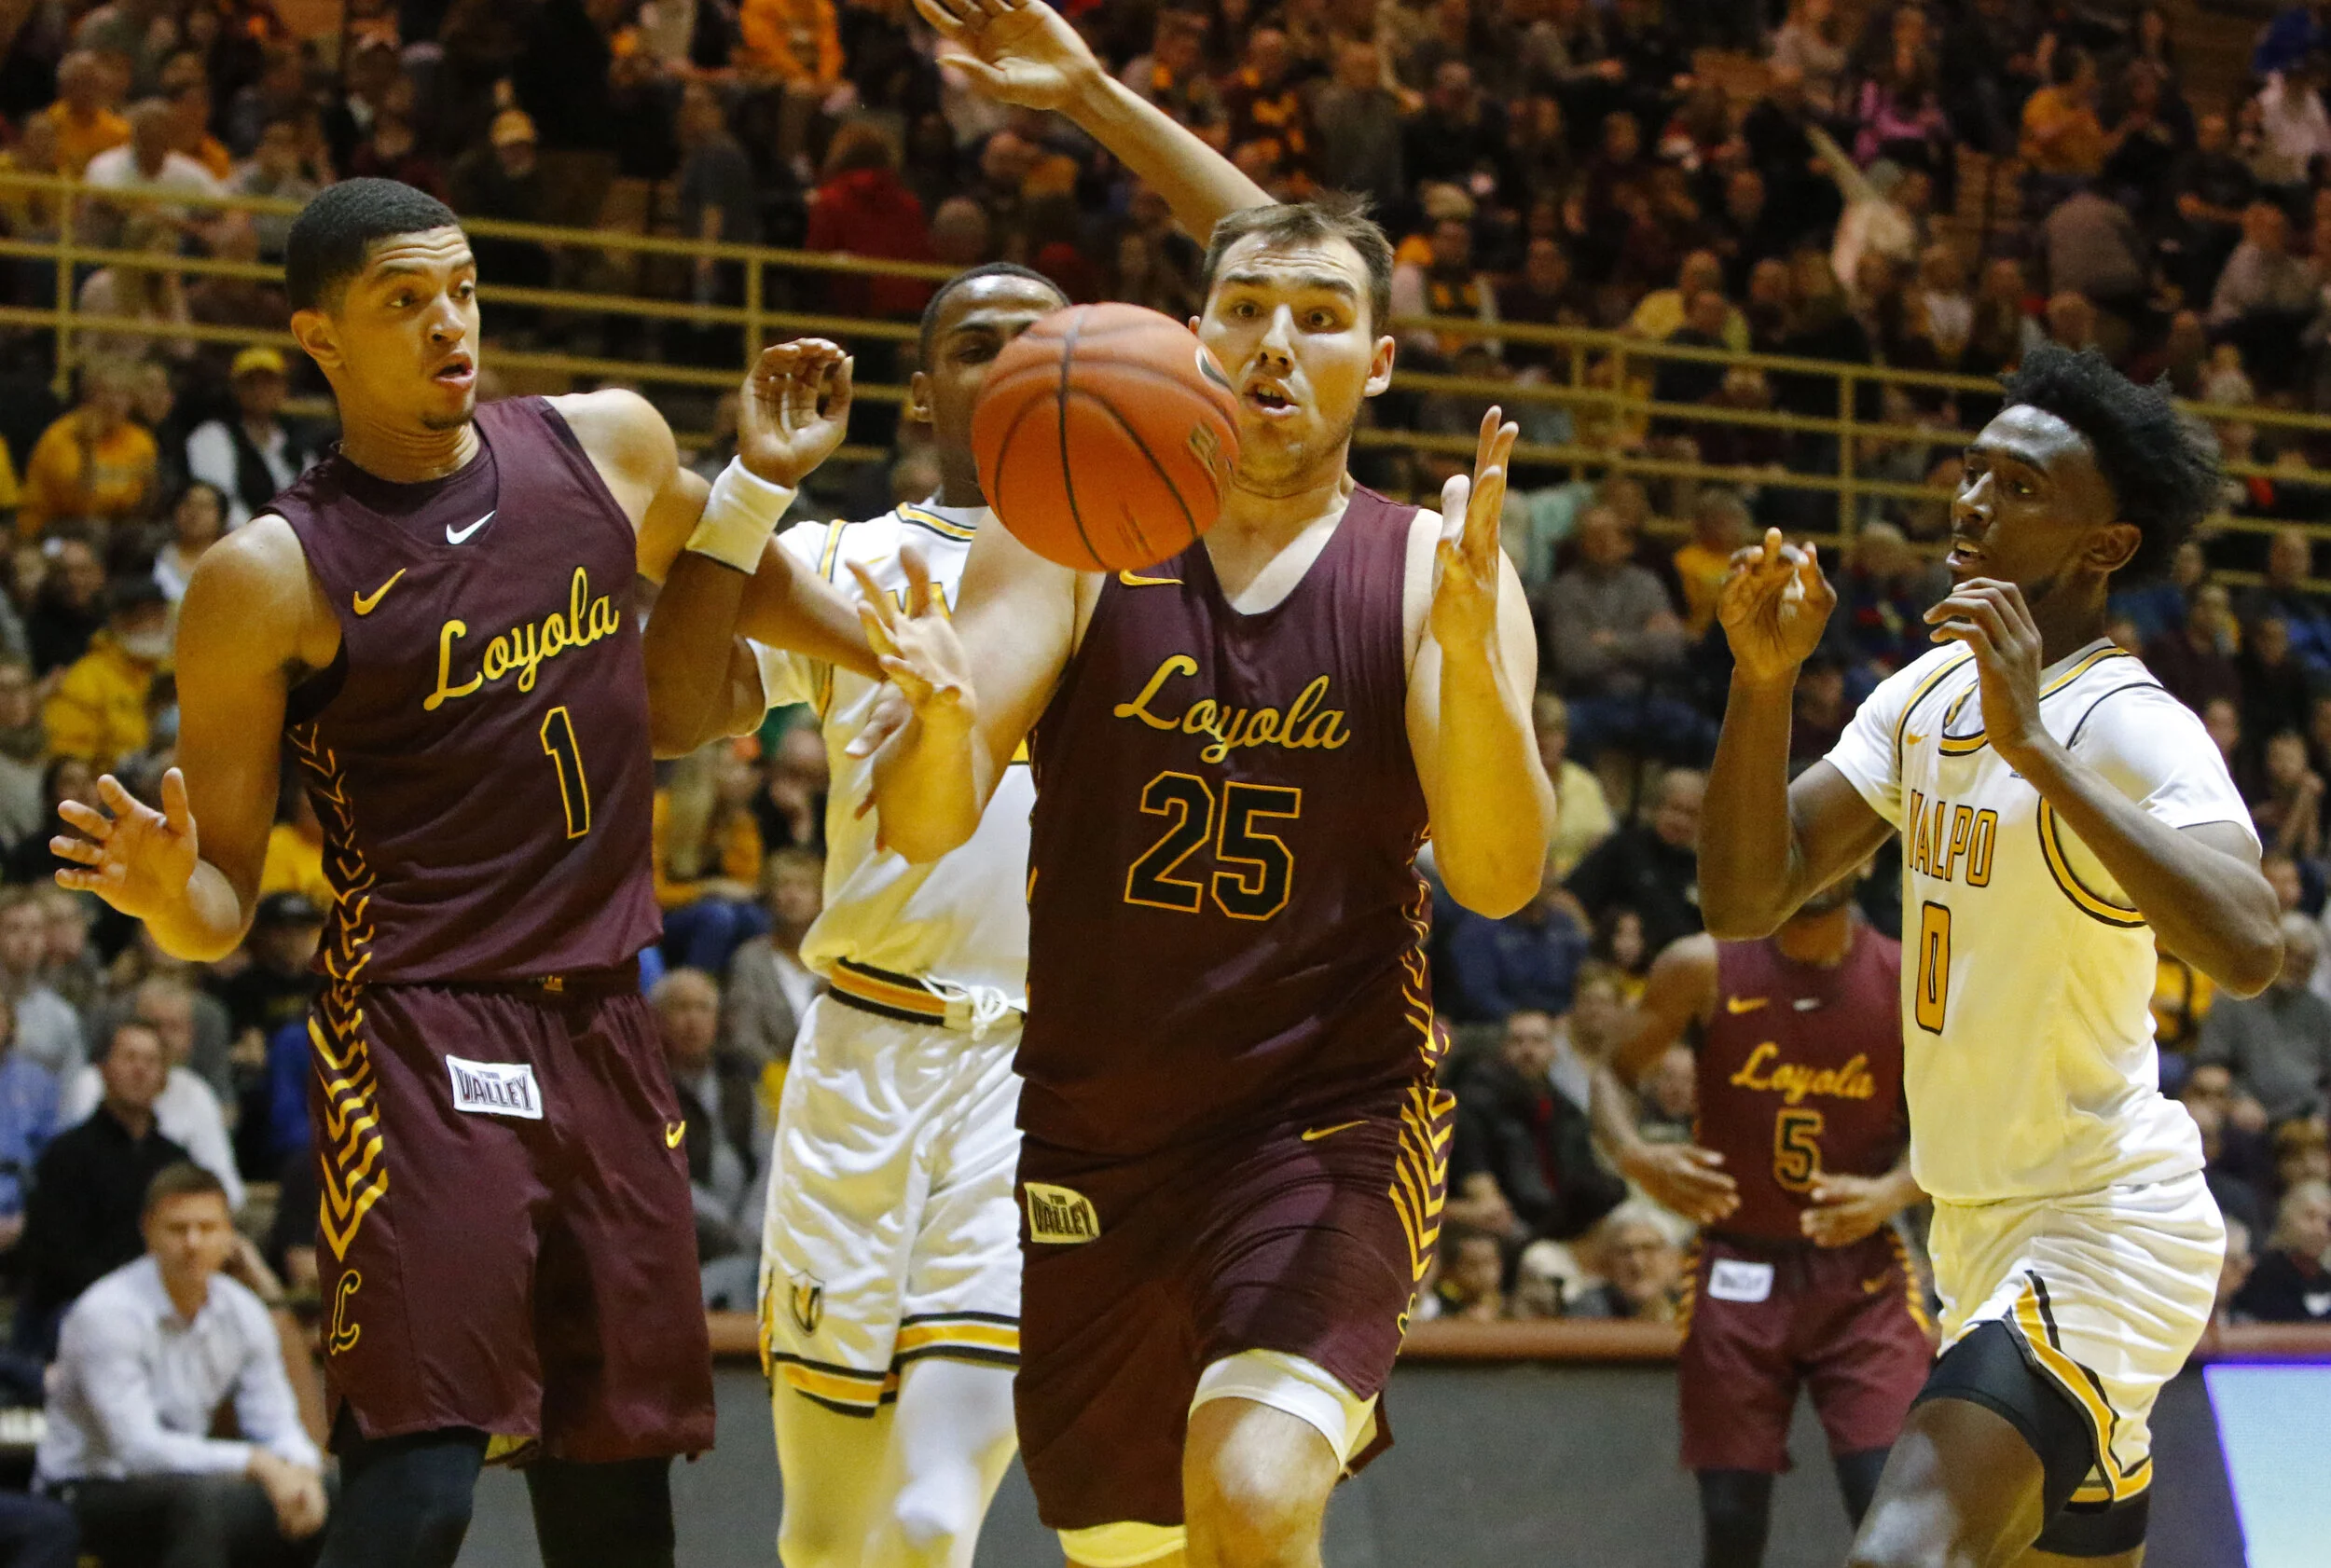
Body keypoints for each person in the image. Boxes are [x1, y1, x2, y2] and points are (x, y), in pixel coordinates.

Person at [48, 177, 873, 1568]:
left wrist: (888, 652)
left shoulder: (601, 444)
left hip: (606, 1017)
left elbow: (724, 552)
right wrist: (160, 891)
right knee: (421, 1486)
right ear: (320, 338)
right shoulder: (268, 574)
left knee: (617, 1504)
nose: (451, 323)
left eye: (464, 289)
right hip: (420, 1028)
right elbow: (219, 908)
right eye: (405, 300)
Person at [858, 5, 1554, 1564]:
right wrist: (937, 712)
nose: (1275, 343)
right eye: (1244, 308)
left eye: (1319, 316)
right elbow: (923, 820)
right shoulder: (1063, 532)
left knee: (1250, 1489)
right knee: (1138, 1544)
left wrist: (1473, 666)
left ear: (1377, 362)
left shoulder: (1434, 568)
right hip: (1098, 1131)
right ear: (1194, 336)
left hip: (1327, 1113)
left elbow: (1502, 877)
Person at [1701, 341, 2280, 1567]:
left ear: (2104, 545)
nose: (1971, 502)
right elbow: (1746, 894)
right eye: (1973, 472)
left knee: (1902, 1553)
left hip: (2100, 1220)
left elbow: (2248, 944)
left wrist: (2037, 753)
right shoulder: (1923, 696)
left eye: (2019, 488)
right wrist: (1762, 682)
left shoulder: (2131, 723)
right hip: (1973, 1231)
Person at [1592, 869, 1927, 1568]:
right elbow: (1612, 1071)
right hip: (1735, 1263)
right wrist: (1634, 1154)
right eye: (1796, 844)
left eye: (1836, 845)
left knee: (1886, 1510)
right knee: (1731, 1520)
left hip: (1862, 1276)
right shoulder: (1702, 964)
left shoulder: (1909, 977)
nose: (1818, 862)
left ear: (1866, 861)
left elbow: (1967, 1119)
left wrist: (1896, 1189)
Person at [36, 1162, 326, 1567]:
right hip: (86, 1487)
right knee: (199, 1501)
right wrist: (257, 1463)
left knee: (328, 1489)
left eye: (207, 1228)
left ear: (229, 1234)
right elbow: (138, 1451)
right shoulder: (106, 1313)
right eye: (177, 1229)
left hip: (185, 1481)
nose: (193, 1243)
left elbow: (275, 1422)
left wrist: (302, 1472)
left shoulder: (242, 1311)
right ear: (148, 1231)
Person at [18, 1021, 190, 1355]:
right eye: (129, 1058)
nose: (140, 1070)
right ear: (104, 1070)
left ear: (164, 1078)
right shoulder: (66, 1155)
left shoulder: (176, 1162)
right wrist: (125, 1300)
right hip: (77, 1307)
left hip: (162, 1307)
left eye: (151, 1061)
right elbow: (54, 1258)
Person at [1446, 1008, 1626, 1247]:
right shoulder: (1474, 1104)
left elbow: (1585, 1175)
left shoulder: (1568, 1110)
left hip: (1566, 1221)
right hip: (1515, 1224)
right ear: (1502, 1050)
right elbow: (1479, 1184)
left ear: (1554, 1050)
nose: (1528, 1050)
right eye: (1518, 1041)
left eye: (1538, 1041)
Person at [2196, 914, 2331, 1128]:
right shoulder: (2232, 1000)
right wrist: (2237, 1099)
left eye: (2305, 960)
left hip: (2306, 1119)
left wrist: (2321, 1114)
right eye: (2290, 954)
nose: (2296, 965)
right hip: (2244, 1112)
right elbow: (2210, 1064)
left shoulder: (2322, 1012)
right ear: (2270, 954)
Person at [1566, 768, 1706, 958]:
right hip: (1618, 967)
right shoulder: (1623, 848)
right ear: (1656, 808)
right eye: (1675, 809)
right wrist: (1593, 944)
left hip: (1684, 967)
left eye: (1691, 814)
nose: (1681, 821)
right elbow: (1567, 899)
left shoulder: (1703, 868)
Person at [40, 579, 172, 773]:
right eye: (137, 616)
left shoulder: (183, 666)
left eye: (156, 613)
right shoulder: (86, 678)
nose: (149, 623)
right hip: (114, 784)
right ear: (116, 621)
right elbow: (68, 755)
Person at [186, 348, 323, 532]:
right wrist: (259, 537)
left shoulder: (297, 443)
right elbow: (219, 503)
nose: (260, 391)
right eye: (251, 383)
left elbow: (312, 502)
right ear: (235, 389)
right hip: (234, 540)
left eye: (269, 383)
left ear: (284, 389)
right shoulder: (212, 436)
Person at [718, 845, 824, 1074]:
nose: (793, 896)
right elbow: (744, 1039)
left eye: (803, 886)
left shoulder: (836, 961)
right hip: (769, 1079)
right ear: (769, 895)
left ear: (820, 899)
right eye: (784, 885)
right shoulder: (749, 959)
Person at [2229, 1178, 2331, 1321]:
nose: (2320, 1229)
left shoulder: (2326, 1279)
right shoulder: (2258, 1275)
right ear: (2287, 1218)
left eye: (2328, 1221)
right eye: (2310, 1216)